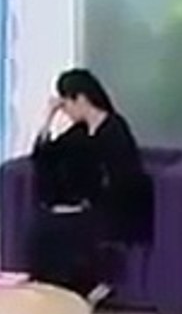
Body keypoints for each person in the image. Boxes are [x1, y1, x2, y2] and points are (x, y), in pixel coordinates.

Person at [28, 68, 152, 300]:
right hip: (91, 206)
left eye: (66, 103)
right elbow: (43, 156)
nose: (64, 110)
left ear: (81, 99)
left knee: (69, 228)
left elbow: (124, 179)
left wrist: (88, 203)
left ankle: (85, 291)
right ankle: (53, 293)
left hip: (122, 209)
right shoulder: (81, 131)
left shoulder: (114, 128)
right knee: (44, 228)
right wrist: (48, 118)